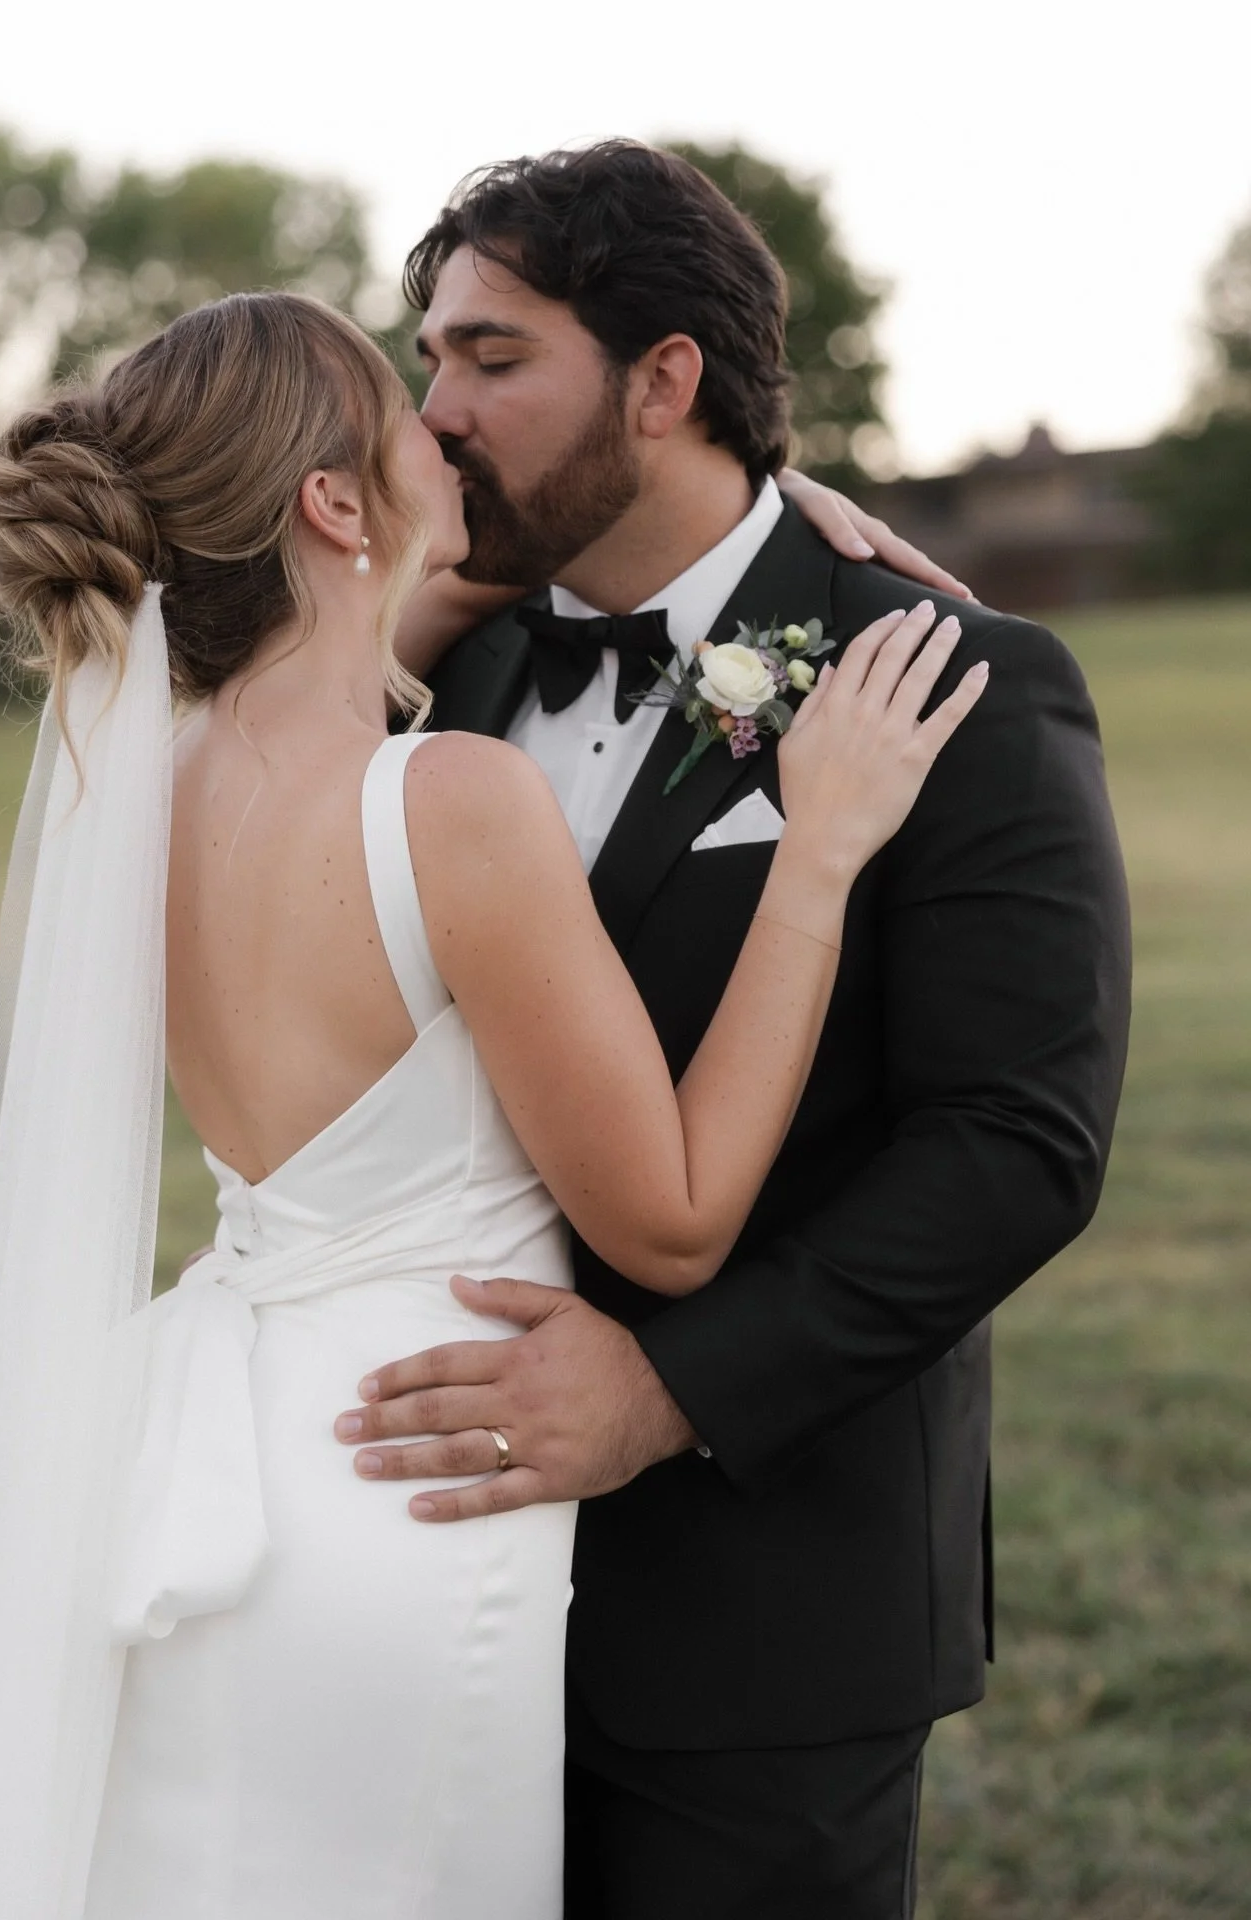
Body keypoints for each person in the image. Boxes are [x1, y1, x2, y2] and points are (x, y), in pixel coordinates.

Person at [0, 287, 982, 1920]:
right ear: (332, 502)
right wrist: (818, 851)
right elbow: (669, 1228)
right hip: (419, 1478)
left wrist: (763, 505)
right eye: (406, 407)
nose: (445, 426)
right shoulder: (449, 798)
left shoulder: (142, 789)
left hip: (207, 1475)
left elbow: (457, 577)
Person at [332, 141, 1134, 1918]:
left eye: (493, 356)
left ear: (666, 374)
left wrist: (669, 1396)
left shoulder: (951, 680)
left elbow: (1018, 1145)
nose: (436, 407)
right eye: (432, 355)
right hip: (422, 1575)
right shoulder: (434, 674)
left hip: (774, 1614)